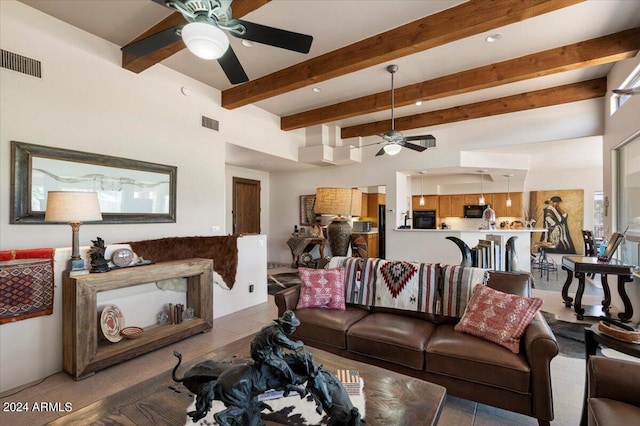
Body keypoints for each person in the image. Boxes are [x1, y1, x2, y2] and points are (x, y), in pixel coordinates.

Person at [250, 310, 304, 385]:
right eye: (292, 326)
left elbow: (273, 343)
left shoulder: (276, 327)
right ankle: (294, 380)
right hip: (260, 352)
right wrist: (300, 344)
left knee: (281, 356)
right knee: (282, 364)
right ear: (285, 324)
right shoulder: (277, 334)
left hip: (265, 347)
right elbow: (292, 346)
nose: (294, 329)